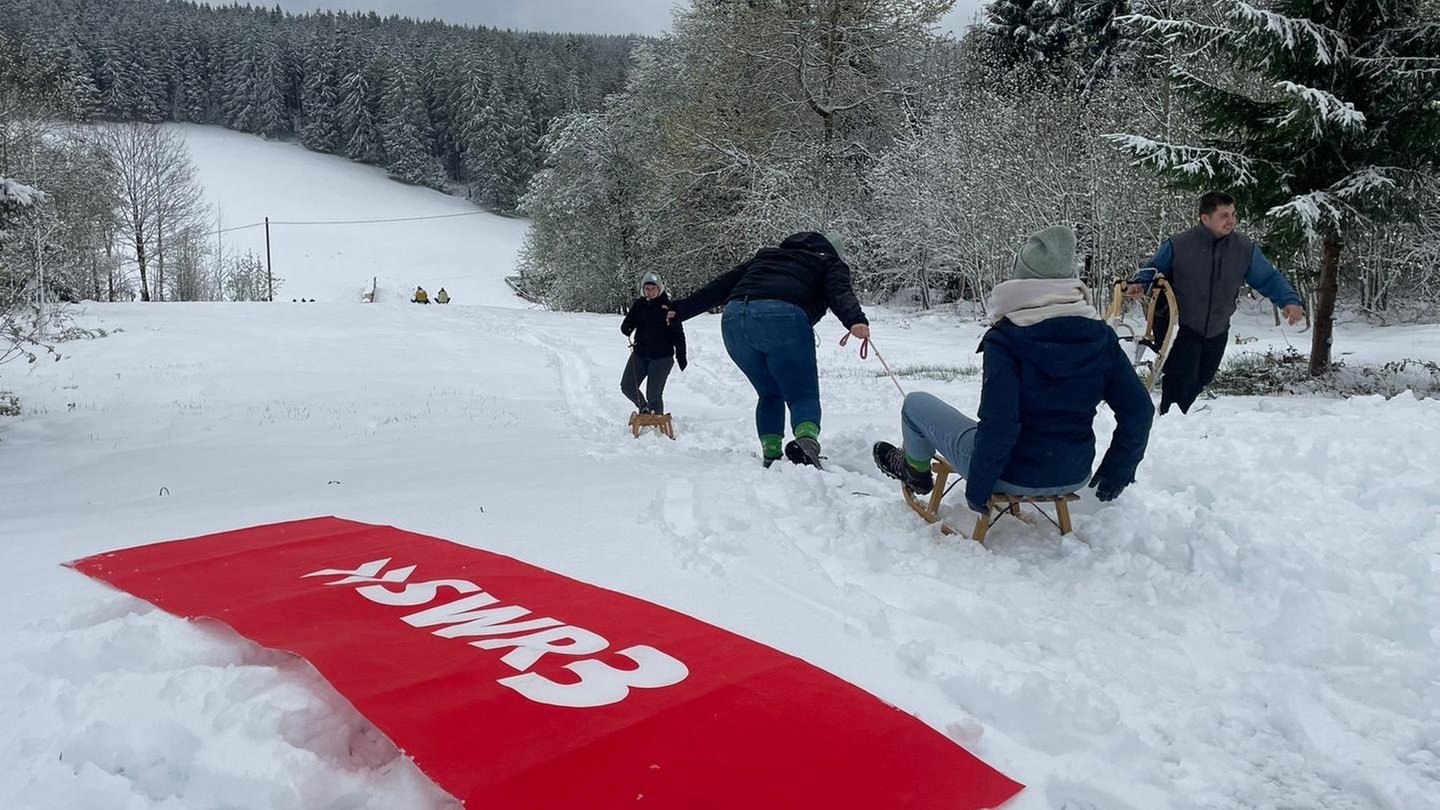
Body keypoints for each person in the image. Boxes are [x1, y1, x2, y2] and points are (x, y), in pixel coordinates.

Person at [873, 225, 1153, 515]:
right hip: (1074, 473)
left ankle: (916, 472)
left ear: (1021, 279)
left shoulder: (1008, 337)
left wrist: (980, 487)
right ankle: (921, 468)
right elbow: (1139, 410)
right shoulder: (1101, 336)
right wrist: (1119, 468)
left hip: (1010, 475)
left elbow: (1001, 423)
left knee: (915, 403)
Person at [667, 232, 868, 468]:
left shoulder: (767, 257)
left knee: (769, 392)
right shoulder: (829, 262)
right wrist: (854, 319)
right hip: (782, 318)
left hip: (733, 321)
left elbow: (720, 286)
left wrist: (679, 310)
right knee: (802, 393)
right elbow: (839, 291)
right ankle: (806, 443)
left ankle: (771, 452)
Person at [1128, 191, 1305, 414]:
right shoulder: (1179, 245)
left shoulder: (1244, 248)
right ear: (1205, 218)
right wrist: (1140, 285)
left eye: (1233, 214)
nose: (1231, 220)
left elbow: (1268, 277)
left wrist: (1289, 301)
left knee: (1203, 377)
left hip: (1217, 327)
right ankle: (1171, 422)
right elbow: (1153, 270)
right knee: (1181, 377)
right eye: (1224, 215)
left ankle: (1177, 420)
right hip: (1179, 325)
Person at [621, 272, 687, 415]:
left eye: (653, 289)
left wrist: (681, 356)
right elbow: (629, 321)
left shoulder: (669, 307)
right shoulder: (639, 304)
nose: (650, 292)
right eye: (647, 289)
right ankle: (644, 409)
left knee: (654, 395)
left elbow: (679, 335)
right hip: (640, 354)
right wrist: (626, 328)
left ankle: (657, 427)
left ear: (660, 289)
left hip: (662, 357)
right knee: (627, 386)